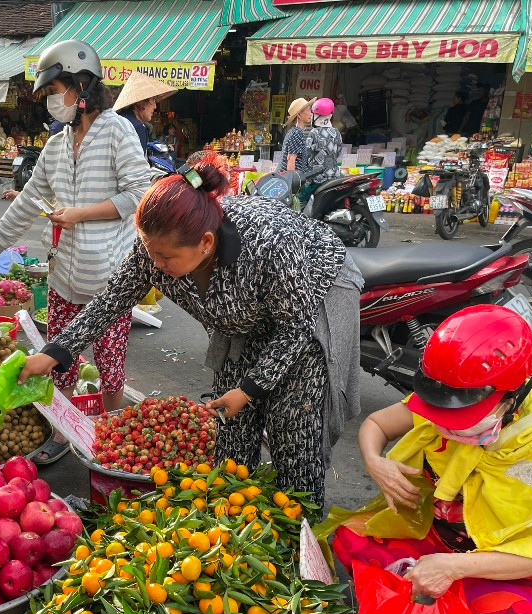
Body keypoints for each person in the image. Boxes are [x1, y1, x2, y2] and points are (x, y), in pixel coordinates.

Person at [18, 155, 361, 499]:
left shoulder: (270, 244)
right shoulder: (156, 245)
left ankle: (301, 522)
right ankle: (233, 511)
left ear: (206, 243)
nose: (156, 265)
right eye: (151, 254)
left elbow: (294, 328)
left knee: (293, 425)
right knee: (232, 429)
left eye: (166, 258)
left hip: (313, 298)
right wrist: (54, 353)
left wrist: (250, 389)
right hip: (250, 312)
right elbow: (112, 300)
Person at [337, 305, 532, 614]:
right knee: (347, 542)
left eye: (462, 417)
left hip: (498, 555)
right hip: (436, 535)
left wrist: (454, 568)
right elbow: (377, 424)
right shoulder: (445, 390)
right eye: (440, 414)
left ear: (512, 397)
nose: (446, 427)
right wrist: (376, 461)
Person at [0, 40, 151, 464]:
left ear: (82, 86)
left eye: (56, 91)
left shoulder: (117, 131)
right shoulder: (55, 145)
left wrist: (78, 214)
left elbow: (140, 193)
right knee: (61, 361)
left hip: (109, 282)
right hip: (64, 278)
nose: (53, 101)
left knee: (110, 370)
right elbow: (29, 200)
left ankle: (112, 442)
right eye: (50, 94)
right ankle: (61, 433)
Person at [113, 71, 175, 155]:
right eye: (153, 100)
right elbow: (137, 165)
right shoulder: (137, 127)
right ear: (141, 102)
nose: (155, 106)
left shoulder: (121, 119)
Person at [301, 97, 343, 205]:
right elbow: (338, 152)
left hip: (317, 178)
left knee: (300, 200)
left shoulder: (314, 133)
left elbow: (306, 154)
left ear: (317, 116)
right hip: (335, 176)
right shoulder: (336, 132)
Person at [281, 97, 315, 173]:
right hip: (291, 179)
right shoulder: (296, 133)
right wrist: (291, 181)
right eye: (308, 110)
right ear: (299, 114)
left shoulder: (296, 132)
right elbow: (291, 160)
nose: (311, 113)